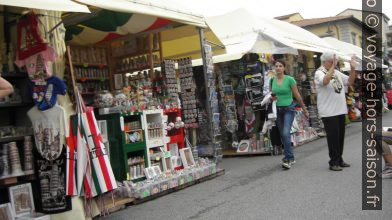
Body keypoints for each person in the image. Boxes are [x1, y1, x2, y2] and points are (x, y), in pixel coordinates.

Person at [314, 52, 356, 171]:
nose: (335, 64)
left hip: (340, 110)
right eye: (332, 62)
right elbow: (326, 81)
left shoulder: (336, 72)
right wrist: (333, 66)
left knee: (340, 137)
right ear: (325, 62)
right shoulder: (319, 72)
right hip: (328, 112)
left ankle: (339, 159)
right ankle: (333, 162)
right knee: (333, 138)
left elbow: (350, 82)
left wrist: (353, 68)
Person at [271, 59, 309, 169]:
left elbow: (297, 95)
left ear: (284, 68)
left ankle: (288, 159)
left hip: (289, 109)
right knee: (283, 134)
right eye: (276, 66)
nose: (278, 68)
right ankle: (290, 156)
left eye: (280, 66)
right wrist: (272, 98)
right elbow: (272, 95)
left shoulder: (290, 80)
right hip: (277, 110)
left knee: (286, 132)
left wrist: (304, 109)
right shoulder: (272, 80)